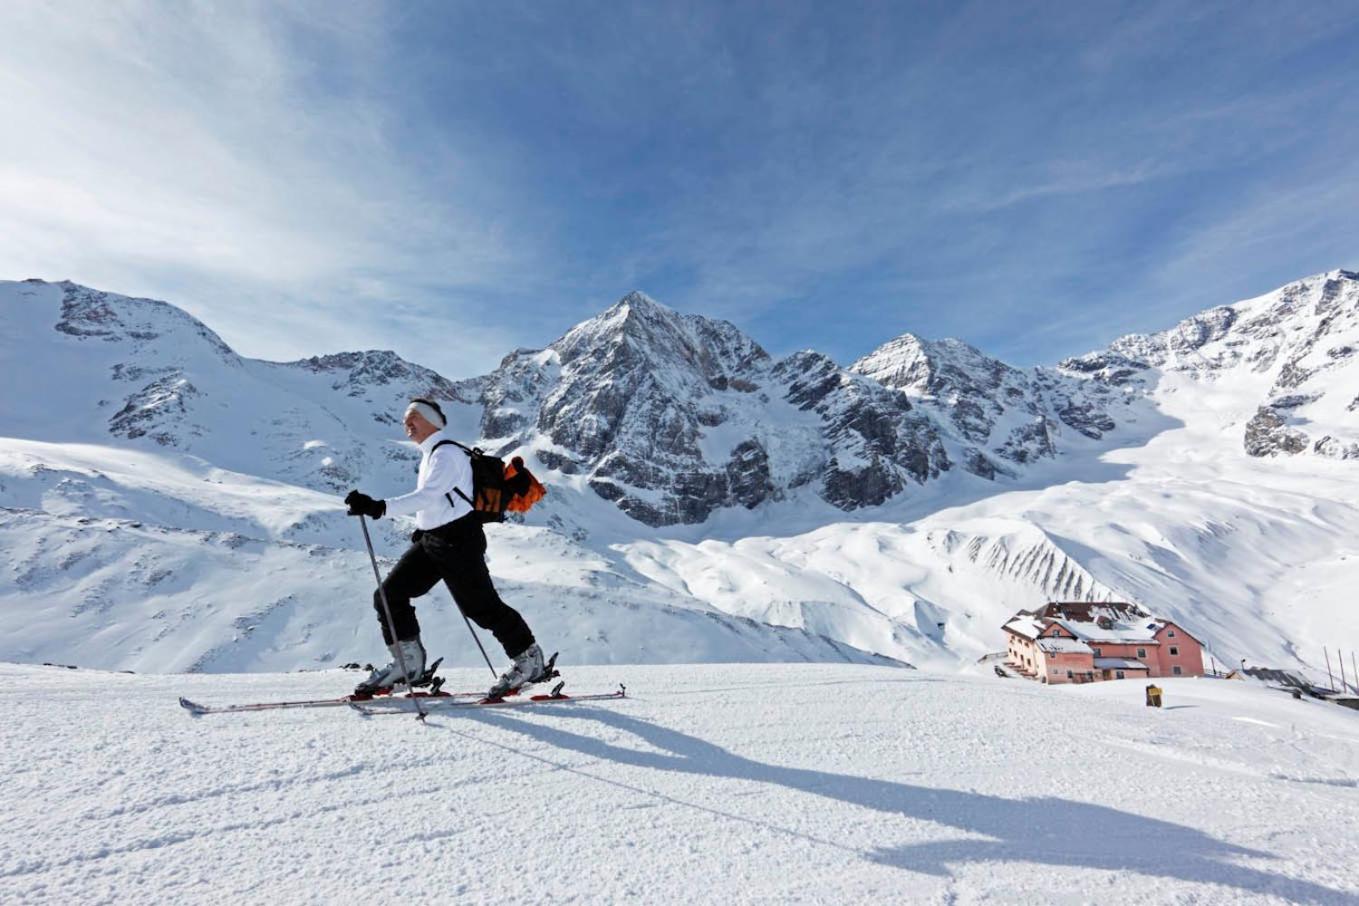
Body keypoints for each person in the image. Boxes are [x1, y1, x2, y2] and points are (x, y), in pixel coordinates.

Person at [343, 397, 546, 698]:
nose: (406, 423)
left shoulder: (446, 453)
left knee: (481, 607)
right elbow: (440, 500)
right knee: (389, 595)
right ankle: (408, 664)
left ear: (432, 421)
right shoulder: (432, 454)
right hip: (434, 539)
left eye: (413, 417)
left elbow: (428, 495)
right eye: (404, 419)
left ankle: (529, 661)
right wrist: (424, 527)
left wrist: (378, 507)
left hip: (459, 540)